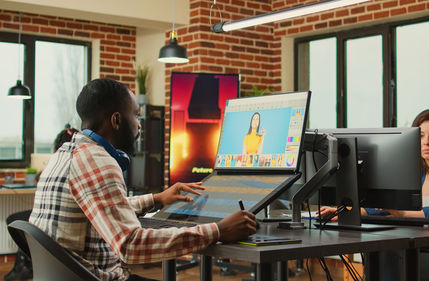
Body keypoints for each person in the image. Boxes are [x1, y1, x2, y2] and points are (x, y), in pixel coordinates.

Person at [28, 78, 257, 281]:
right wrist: (218, 230)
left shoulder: (65, 153)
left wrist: (157, 198)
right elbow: (131, 245)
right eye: (136, 115)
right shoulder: (99, 161)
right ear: (116, 120)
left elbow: (100, 205)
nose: (139, 124)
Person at [319, 107, 429, 281]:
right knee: (378, 253)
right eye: (421, 136)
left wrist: (404, 213)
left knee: (385, 259)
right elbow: (389, 207)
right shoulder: (413, 174)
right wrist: (347, 210)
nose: (426, 142)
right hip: (411, 247)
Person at [4, 125, 79, 281]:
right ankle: (25, 264)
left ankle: (25, 265)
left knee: (19, 221)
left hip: (59, 224)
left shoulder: (57, 163)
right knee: (19, 221)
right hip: (59, 223)